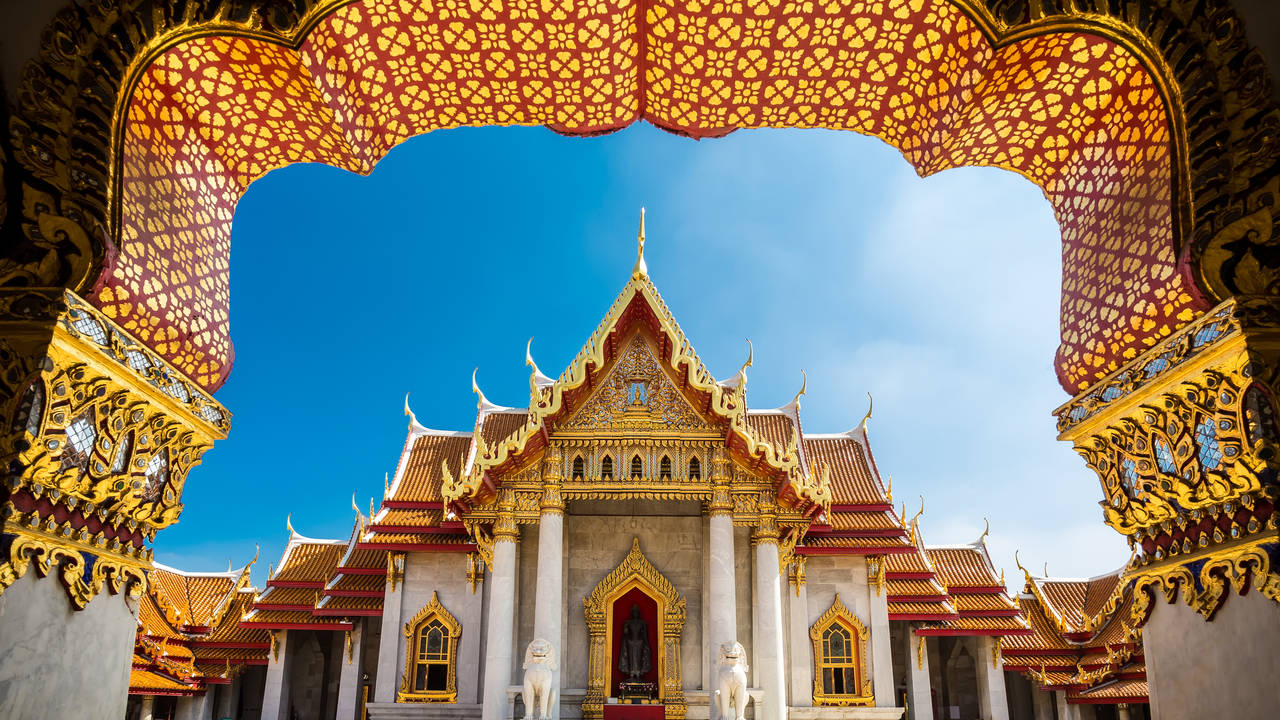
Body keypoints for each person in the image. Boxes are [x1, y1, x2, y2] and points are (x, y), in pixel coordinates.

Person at [618, 604, 651, 680]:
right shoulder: (628, 622)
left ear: (639, 613)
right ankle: (631, 673)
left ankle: (638, 673)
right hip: (630, 642)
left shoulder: (643, 623)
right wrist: (625, 630)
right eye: (634, 612)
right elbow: (625, 634)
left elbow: (645, 635)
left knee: (639, 658)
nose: (635, 613)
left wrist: (647, 646)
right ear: (631, 613)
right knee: (631, 658)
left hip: (640, 642)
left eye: (636, 612)